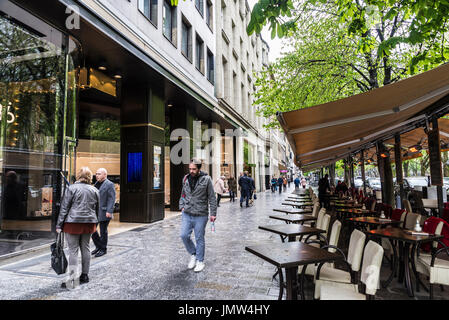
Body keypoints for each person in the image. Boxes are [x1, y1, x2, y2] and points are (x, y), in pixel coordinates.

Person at [56, 167, 99, 288]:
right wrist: (95, 223)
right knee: (86, 248)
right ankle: (85, 275)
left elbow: (64, 208)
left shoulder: (71, 188)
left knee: (73, 250)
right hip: (89, 222)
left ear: (78, 176)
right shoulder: (95, 190)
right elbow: (97, 209)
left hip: (73, 222)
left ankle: (73, 279)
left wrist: (59, 225)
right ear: (90, 177)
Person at [179, 159, 217, 272]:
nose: (191, 171)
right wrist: (181, 205)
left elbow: (212, 197)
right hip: (187, 212)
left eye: (194, 169)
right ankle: (194, 254)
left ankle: (200, 261)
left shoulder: (206, 179)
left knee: (199, 238)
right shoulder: (185, 178)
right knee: (184, 235)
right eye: (190, 168)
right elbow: (183, 193)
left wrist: (213, 213)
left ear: (199, 169)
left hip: (201, 214)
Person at [91, 168, 116, 258]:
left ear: (104, 175)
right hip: (95, 212)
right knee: (92, 230)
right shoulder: (96, 184)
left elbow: (112, 198)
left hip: (105, 211)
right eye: (96, 173)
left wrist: (109, 211)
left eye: (99, 174)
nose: (96, 175)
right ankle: (98, 246)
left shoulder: (109, 184)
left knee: (103, 231)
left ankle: (103, 249)